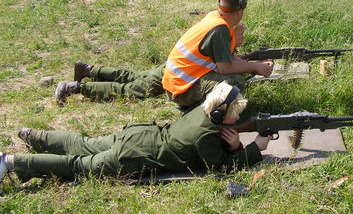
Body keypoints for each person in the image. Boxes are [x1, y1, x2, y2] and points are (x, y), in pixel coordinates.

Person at [0, 82, 272, 183]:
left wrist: (235, 144)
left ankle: (32, 135)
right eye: (235, 112)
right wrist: (252, 149)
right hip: (133, 155)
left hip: (135, 136)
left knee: (84, 143)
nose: (237, 117)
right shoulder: (208, 135)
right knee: (78, 166)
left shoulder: (202, 111)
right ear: (218, 113)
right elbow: (220, 168)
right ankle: (11, 163)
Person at [54, 22, 249, 104]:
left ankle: (89, 69)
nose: (243, 39)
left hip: (173, 67)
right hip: (175, 74)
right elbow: (228, 66)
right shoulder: (222, 39)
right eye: (241, 34)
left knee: (133, 77)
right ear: (232, 33)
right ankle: (75, 87)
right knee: (132, 90)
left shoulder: (220, 36)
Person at [162, 0, 274, 108]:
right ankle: (206, 111)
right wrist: (255, 67)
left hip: (178, 83)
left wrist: (257, 66)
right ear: (239, 12)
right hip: (182, 91)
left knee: (238, 74)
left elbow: (230, 57)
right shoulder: (219, 29)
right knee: (235, 83)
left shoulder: (217, 18)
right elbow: (225, 68)